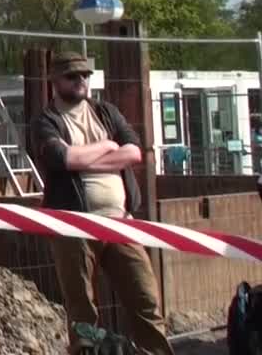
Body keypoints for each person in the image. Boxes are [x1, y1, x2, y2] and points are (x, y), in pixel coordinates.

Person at [28, 52, 173, 355]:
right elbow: (61, 158)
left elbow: (134, 152)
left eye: (85, 75)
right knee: (82, 311)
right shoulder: (46, 120)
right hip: (74, 226)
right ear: (54, 81)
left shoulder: (106, 112)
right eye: (72, 76)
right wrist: (108, 147)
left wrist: (83, 159)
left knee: (145, 299)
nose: (81, 81)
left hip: (121, 220)